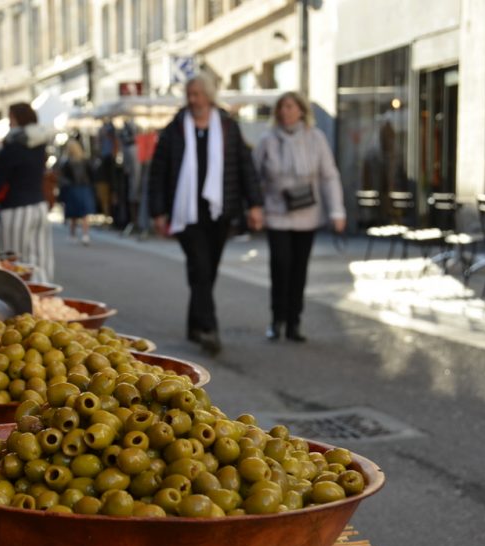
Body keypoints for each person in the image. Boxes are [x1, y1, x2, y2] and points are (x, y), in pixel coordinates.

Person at [148, 73, 264, 355]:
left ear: (209, 96)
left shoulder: (227, 126)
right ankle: (210, 330)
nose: (192, 99)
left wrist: (255, 205)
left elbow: (245, 166)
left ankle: (194, 324)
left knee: (207, 270)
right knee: (200, 267)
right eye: (189, 94)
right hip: (186, 213)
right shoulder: (175, 128)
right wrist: (158, 211)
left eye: (197, 94)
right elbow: (158, 171)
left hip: (219, 211)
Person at [253, 91, 346, 343]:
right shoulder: (267, 140)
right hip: (277, 214)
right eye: (282, 107)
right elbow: (255, 178)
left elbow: (329, 175)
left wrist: (337, 211)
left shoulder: (316, 138)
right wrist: (255, 208)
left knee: (299, 270)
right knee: (280, 266)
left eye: (290, 106)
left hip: (307, 215)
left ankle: (294, 322)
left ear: (301, 110)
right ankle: (276, 320)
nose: (285, 111)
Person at [0, 102, 54, 282]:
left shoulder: (12, 146)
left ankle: (22, 302)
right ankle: (44, 298)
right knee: (42, 260)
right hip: (39, 206)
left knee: (16, 262)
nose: (9, 123)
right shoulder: (41, 144)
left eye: (10, 118)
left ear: (18, 119)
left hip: (16, 207)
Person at [58, 140, 97, 244]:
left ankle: (73, 234)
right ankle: (85, 234)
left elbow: (63, 177)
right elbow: (92, 174)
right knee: (84, 213)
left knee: (74, 213)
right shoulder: (84, 160)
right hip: (84, 187)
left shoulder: (67, 162)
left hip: (73, 188)